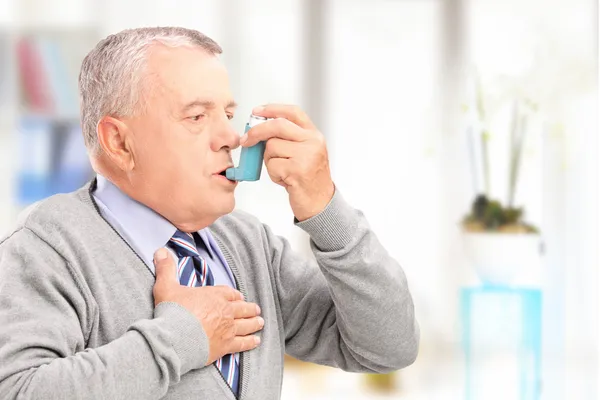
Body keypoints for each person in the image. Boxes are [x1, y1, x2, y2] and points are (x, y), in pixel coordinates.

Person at [0, 27, 419, 399]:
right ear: (119, 142)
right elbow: (19, 390)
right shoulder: (47, 249)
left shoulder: (247, 242)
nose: (230, 137)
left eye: (229, 114)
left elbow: (388, 346)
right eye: (197, 116)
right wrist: (182, 337)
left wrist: (326, 211)